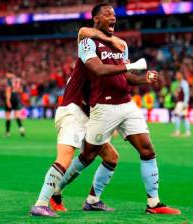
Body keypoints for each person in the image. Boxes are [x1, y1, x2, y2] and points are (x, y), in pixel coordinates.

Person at [60, 3, 180, 215]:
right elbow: (97, 69)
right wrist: (129, 66)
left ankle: (154, 203)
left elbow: (126, 76)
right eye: (107, 14)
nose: (112, 17)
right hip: (103, 107)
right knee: (87, 156)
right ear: (96, 19)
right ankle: (56, 188)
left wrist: (144, 79)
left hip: (126, 104)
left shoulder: (119, 45)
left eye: (114, 14)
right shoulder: (87, 42)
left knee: (147, 149)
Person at [30, 26, 148, 217]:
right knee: (66, 156)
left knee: (111, 157)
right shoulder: (88, 54)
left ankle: (91, 200)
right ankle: (41, 203)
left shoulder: (103, 63)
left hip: (90, 116)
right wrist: (111, 41)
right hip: (73, 111)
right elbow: (83, 31)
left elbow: (117, 81)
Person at [4, 72, 25, 137]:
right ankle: (21, 128)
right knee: (17, 115)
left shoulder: (9, 80)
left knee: (8, 116)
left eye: (7, 74)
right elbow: (21, 90)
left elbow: (8, 90)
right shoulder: (18, 80)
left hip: (11, 97)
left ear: (10, 74)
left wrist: (8, 101)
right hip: (16, 97)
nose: (6, 75)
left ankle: (7, 132)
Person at [172, 71, 191, 137]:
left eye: (177, 75)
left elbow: (186, 94)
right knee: (183, 117)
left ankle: (178, 131)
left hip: (182, 103)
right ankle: (186, 132)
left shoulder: (184, 83)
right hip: (180, 102)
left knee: (179, 116)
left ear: (181, 75)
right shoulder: (179, 84)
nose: (176, 76)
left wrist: (185, 104)